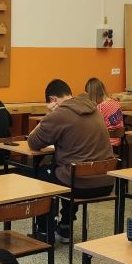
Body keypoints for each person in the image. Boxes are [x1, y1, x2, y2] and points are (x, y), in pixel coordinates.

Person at [27, 79, 114, 243]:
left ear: (53, 99)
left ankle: (45, 232)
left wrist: (49, 114)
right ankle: (66, 227)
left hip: (81, 185)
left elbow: (33, 142)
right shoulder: (93, 109)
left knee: (44, 174)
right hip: (106, 181)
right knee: (68, 169)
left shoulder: (60, 114)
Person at [85, 77, 124, 147]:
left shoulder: (100, 107)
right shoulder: (116, 103)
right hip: (117, 141)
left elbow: (92, 127)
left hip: (105, 144)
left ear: (92, 94)